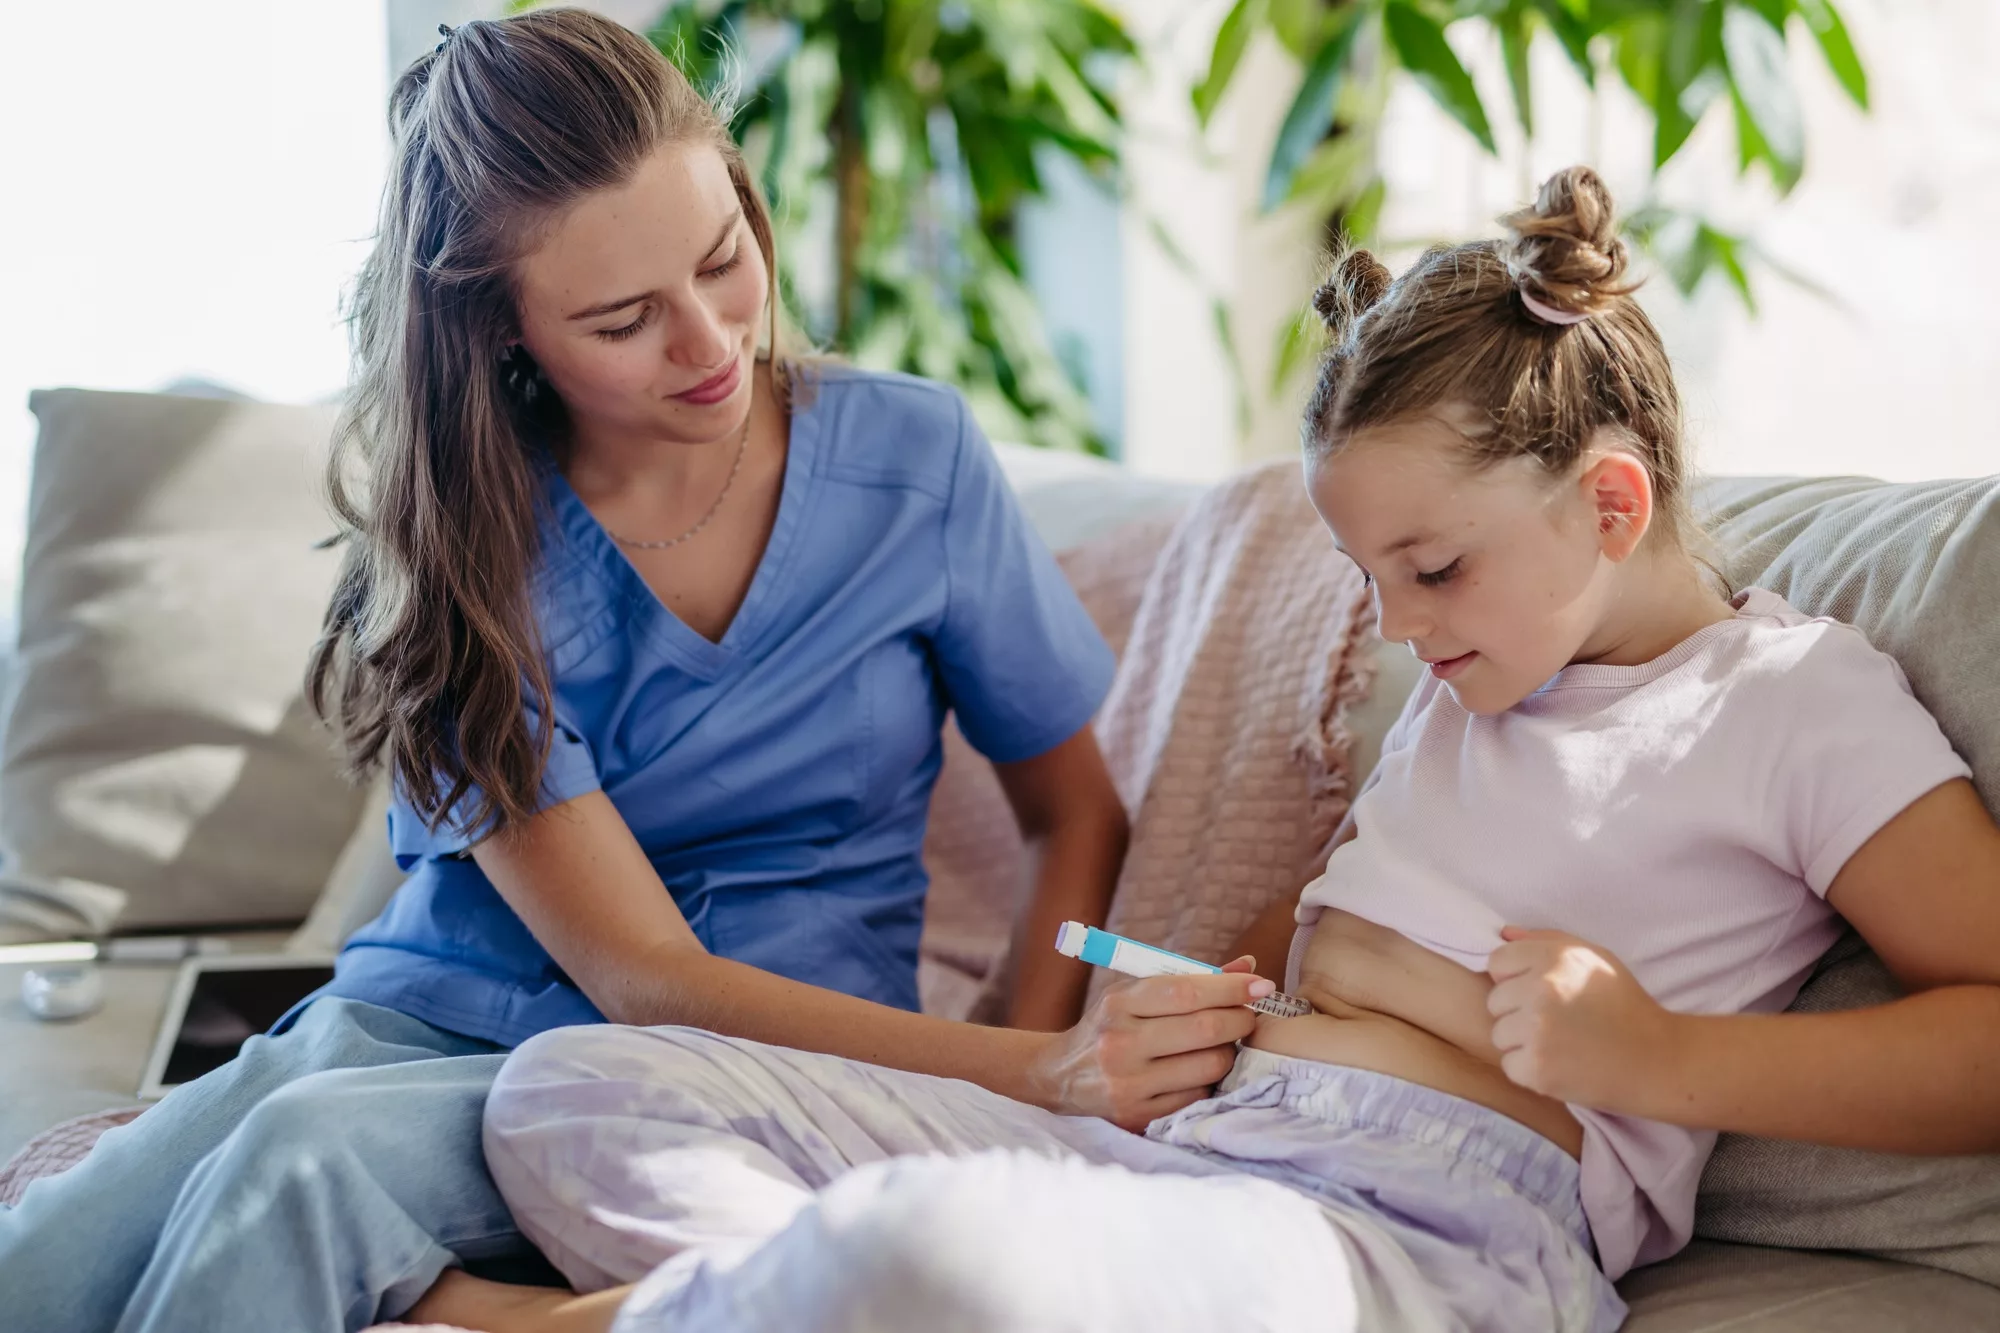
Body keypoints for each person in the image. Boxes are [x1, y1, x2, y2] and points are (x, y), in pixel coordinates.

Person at [443, 165, 2000, 1333]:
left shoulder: (1790, 702)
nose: (1395, 630)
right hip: (1199, 1134)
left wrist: (1663, 1061)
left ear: (1610, 502)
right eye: (1371, 581)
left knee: (928, 1257)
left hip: (1423, 1222)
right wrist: (1214, 988)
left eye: (1433, 569)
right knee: (569, 1090)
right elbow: (1348, 923)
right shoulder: (1480, 682)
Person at [0, 13, 1276, 1332]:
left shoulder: (917, 466)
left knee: (297, 1167)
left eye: (724, 259)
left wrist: (1014, 1063)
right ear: (502, 333)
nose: (712, 343)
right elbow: (641, 969)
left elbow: (1074, 813)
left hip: (713, 1072)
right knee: (46, 1257)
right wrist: (1034, 1072)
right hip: (414, 1029)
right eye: (622, 320)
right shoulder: (466, 553)